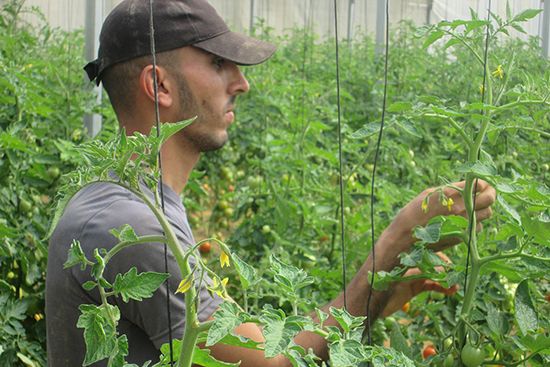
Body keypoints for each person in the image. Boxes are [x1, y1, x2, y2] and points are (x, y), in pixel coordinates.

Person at [45, 0, 496, 366]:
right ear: (159, 85)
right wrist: (397, 238)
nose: (242, 83)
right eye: (220, 63)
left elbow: (253, 346)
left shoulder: (128, 202)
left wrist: (377, 292)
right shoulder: (134, 226)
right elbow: (274, 365)